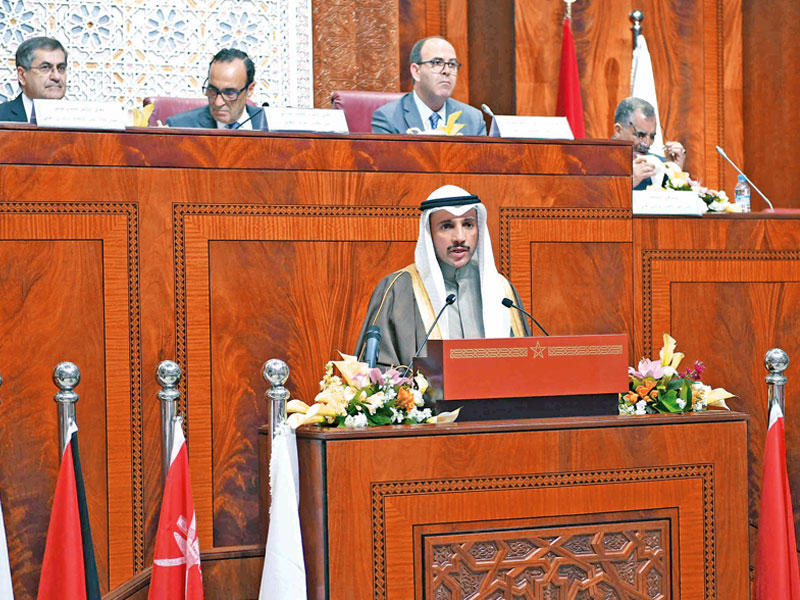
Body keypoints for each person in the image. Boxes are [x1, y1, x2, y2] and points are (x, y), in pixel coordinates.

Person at [354, 185, 530, 369]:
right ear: (429, 233)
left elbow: (525, 368)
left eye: (468, 224)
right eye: (447, 226)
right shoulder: (398, 290)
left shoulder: (502, 292)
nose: (459, 237)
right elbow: (371, 374)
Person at [371, 37, 486, 136]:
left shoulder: (473, 119)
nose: (446, 71)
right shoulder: (388, 118)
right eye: (437, 63)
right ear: (416, 71)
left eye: (451, 64)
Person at [167, 48, 265, 130]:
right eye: (212, 90)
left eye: (229, 93)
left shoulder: (272, 124)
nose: (218, 103)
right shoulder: (179, 127)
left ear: (250, 90)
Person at [611, 97, 687, 190]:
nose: (647, 144)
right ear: (618, 130)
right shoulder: (594, 164)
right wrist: (626, 184)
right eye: (640, 135)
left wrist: (673, 174)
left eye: (652, 136)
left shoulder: (659, 166)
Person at [0, 37, 67, 123]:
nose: (56, 77)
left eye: (61, 68)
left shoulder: (79, 119)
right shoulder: (2, 116)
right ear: (22, 75)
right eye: (45, 67)